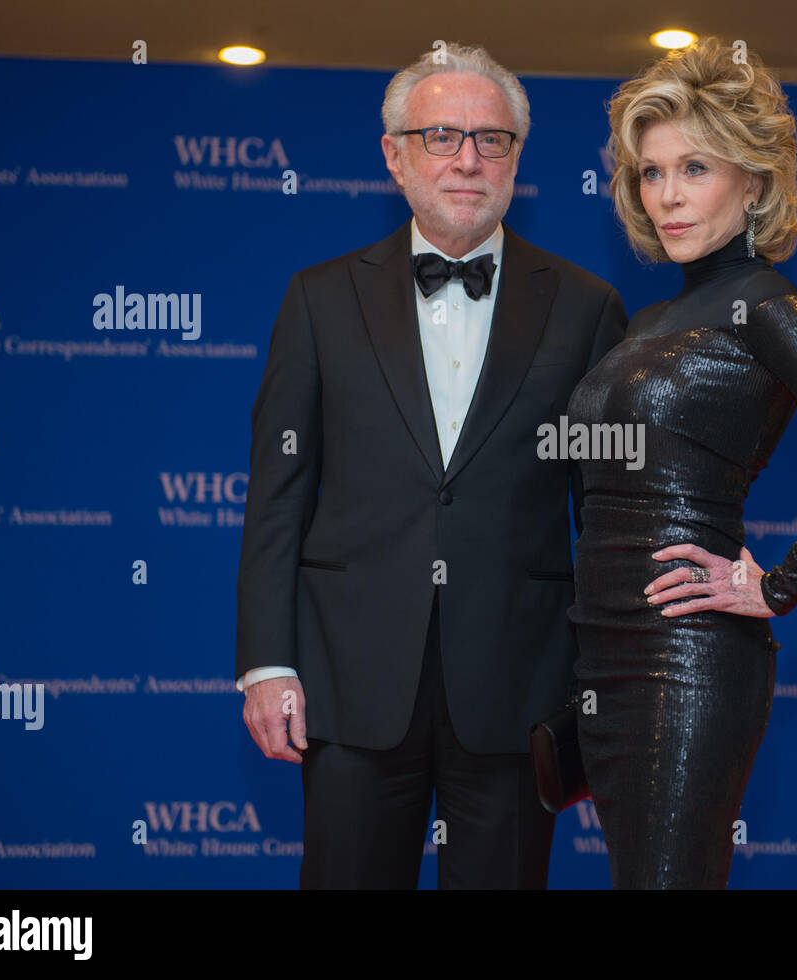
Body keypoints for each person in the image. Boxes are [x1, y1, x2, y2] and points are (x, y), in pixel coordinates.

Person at [234, 42, 627, 889]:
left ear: (517, 157)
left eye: (492, 140)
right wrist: (268, 664)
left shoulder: (588, 306)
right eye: (441, 136)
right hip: (350, 680)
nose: (467, 160)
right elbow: (276, 497)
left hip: (520, 685)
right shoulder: (319, 299)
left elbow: (605, 515)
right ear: (395, 155)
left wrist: (608, 678)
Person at [565, 37, 797, 889]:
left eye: (695, 168)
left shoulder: (763, 301)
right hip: (603, 654)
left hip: (687, 656)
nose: (668, 196)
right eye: (652, 173)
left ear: (752, 183)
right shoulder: (647, 320)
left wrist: (779, 585)